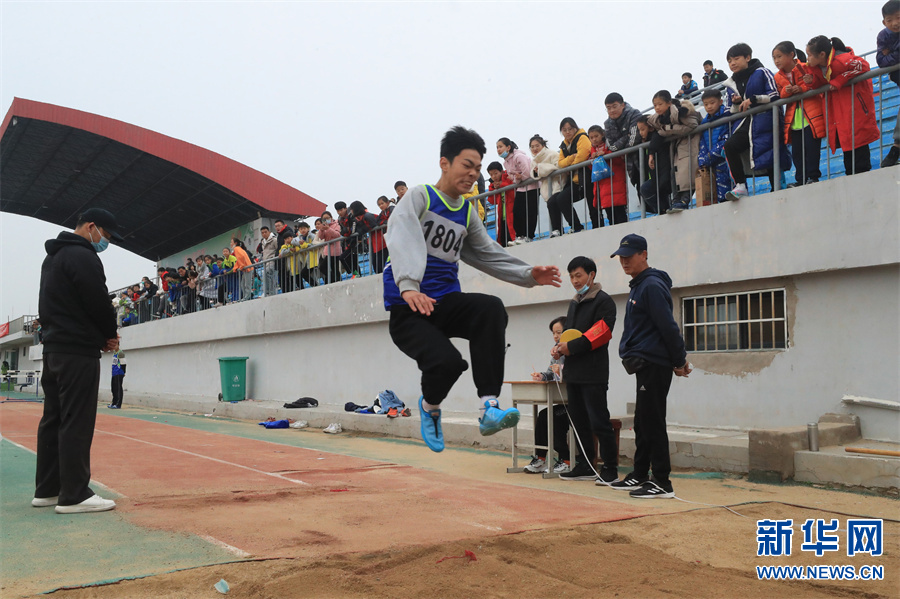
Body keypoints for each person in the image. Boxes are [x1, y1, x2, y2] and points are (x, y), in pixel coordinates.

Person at [383, 125, 562, 453]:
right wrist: (408, 286)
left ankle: (489, 407)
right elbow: (400, 234)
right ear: (444, 163)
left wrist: (528, 274)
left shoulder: (466, 211)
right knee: (449, 363)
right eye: (467, 165)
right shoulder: (421, 196)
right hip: (409, 310)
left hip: (445, 304)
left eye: (478, 167)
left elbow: (486, 253)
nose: (473, 173)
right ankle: (430, 408)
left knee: (490, 307)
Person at [35, 207, 121, 513]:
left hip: (54, 349)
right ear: (92, 227)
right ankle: (74, 494)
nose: (105, 243)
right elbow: (97, 299)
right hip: (77, 350)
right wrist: (109, 335)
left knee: (53, 418)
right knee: (77, 420)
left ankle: (47, 489)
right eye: (106, 237)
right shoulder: (84, 256)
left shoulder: (53, 258)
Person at [609, 234, 691, 499]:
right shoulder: (639, 285)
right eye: (621, 257)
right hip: (644, 363)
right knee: (643, 421)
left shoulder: (652, 286)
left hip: (654, 363)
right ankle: (640, 474)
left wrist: (679, 360)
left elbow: (668, 326)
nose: (624, 261)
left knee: (653, 421)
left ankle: (662, 481)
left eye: (629, 256)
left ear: (644, 254)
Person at [551, 257, 618, 484]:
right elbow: (569, 333)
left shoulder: (604, 302)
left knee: (599, 421)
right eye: (571, 276)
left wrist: (570, 347)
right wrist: (560, 348)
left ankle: (610, 467)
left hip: (594, 373)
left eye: (578, 275)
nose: (575, 281)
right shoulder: (574, 302)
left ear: (592, 274)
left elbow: (599, 334)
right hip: (574, 373)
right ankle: (586, 464)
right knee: (578, 422)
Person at [723, 43, 792, 201]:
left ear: (748, 58)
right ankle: (740, 186)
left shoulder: (762, 72)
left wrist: (753, 100)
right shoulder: (730, 84)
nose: (732, 63)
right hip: (744, 125)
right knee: (730, 146)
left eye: (736, 59)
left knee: (769, 153)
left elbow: (774, 95)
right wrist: (737, 103)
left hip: (764, 122)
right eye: (729, 61)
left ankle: (777, 187)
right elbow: (728, 112)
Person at [804, 36, 880, 176]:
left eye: (809, 55)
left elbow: (863, 65)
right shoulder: (817, 68)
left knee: (859, 146)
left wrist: (840, 80)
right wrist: (812, 82)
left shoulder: (842, 59)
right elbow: (821, 83)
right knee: (848, 149)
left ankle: (863, 179)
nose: (807, 58)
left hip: (854, 108)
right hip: (839, 112)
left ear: (821, 54)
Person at [772, 41, 825, 187]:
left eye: (779, 56)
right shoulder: (777, 77)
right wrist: (786, 91)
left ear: (791, 55)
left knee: (812, 149)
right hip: (793, 120)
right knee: (797, 152)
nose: (776, 61)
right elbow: (780, 93)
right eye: (774, 58)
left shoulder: (805, 68)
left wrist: (801, 88)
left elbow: (813, 83)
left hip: (810, 117)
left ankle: (813, 177)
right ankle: (801, 179)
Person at [526, 316, 570, 475]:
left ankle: (566, 460)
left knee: (556, 417)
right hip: (562, 400)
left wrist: (563, 372)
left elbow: (576, 374)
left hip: (575, 401)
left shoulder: (574, 350)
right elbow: (551, 373)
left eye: (559, 332)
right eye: (553, 333)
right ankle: (541, 458)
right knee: (543, 414)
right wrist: (542, 376)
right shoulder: (556, 351)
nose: (556, 336)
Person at [648, 90, 700, 213]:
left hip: (689, 146)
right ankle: (676, 201)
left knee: (686, 174)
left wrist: (668, 129)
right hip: (677, 149)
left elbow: (692, 125)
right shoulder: (660, 120)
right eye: (655, 105)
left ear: (669, 103)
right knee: (674, 174)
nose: (657, 108)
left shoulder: (682, 112)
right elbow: (658, 134)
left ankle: (684, 200)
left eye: (660, 104)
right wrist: (651, 153)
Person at [547, 117, 594, 236]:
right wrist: (572, 159)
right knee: (553, 200)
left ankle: (582, 227)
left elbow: (582, 156)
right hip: (574, 180)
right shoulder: (564, 144)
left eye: (570, 129)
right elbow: (560, 163)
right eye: (564, 130)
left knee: (591, 206)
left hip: (586, 178)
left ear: (575, 128)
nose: (567, 132)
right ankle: (558, 229)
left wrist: (571, 167)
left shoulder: (582, 137)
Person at [497, 137, 539, 245]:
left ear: (508, 147)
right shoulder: (505, 163)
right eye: (497, 147)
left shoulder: (519, 156)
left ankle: (529, 236)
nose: (498, 149)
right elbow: (512, 178)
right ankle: (520, 236)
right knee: (517, 212)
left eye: (500, 147)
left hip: (532, 186)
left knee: (530, 212)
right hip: (521, 188)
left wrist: (520, 178)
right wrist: (517, 178)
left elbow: (528, 172)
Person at [587, 125, 629, 226]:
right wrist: (591, 160)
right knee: (610, 216)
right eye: (591, 137)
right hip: (603, 186)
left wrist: (605, 154)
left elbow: (619, 158)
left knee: (620, 213)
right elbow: (591, 168)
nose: (594, 139)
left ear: (602, 134)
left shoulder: (610, 144)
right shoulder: (592, 150)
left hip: (616, 180)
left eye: (596, 136)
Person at [698, 89, 733, 204]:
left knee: (730, 194)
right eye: (706, 104)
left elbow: (726, 139)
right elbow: (702, 142)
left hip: (726, 161)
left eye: (712, 103)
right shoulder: (704, 123)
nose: (709, 106)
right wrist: (702, 159)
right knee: (717, 198)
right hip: (711, 165)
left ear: (720, 101)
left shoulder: (727, 116)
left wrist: (709, 156)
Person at [603, 93, 644, 188]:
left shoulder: (634, 114)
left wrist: (624, 150)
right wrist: (626, 136)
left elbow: (635, 139)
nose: (612, 110)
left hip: (643, 158)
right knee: (640, 190)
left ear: (623, 105)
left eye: (614, 106)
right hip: (630, 165)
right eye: (608, 108)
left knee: (652, 191)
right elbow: (612, 147)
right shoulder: (607, 123)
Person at [878, 0, 900, 167]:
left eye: (898, 17)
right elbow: (881, 61)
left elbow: (887, 58)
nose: (895, 23)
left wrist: (892, 54)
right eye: (890, 19)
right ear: (884, 22)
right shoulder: (883, 36)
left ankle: (896, 148)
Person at [485, 162, 516, 247]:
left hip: (512, 214)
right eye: (491, 175)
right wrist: (492, 187)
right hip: (502, 217)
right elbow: (491, 200)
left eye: (496, 173)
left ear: (501, 172)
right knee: (503, 241)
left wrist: (502, 185)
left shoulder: (508, 178)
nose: (494, 176)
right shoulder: (494, 184)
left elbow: (514, 194)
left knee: (513, 237)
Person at [529, 134, 563, 205]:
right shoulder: (534, 161)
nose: (535, 149)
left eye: (537, 146)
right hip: (546, 189)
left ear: (543, 145)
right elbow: (534, 175)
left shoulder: (552, 154)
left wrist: (541, 168)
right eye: (532, 147)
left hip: (558, 184)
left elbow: (559, 167)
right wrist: (535, 172)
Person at [316, 211, 343, 284]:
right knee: (325, 267)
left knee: (333, 268)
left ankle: (336, 280)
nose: (326, 220)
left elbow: (337, 235)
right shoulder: (323, 227)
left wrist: (328, 228)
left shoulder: (336, 225)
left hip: (335, 250)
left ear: (331, 217)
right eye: (324, 219)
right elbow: (321, 237)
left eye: (327, 218)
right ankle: (335, 280)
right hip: (327, 251)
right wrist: (321, 229)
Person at [294, 222, 318, 288]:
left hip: (314, 257)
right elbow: (294, 242)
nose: (303, 230)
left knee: (304, 273)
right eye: (301, 229)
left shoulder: (312, 236)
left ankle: (316, 285)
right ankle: (315, 285)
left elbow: (315, 244)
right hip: (308, 259)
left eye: (304, 228)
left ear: (308, 228)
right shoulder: (300, 238)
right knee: (306, 273)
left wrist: (306, 244)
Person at [259, 225, 279, 296]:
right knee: (265, 276)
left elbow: (277, 249)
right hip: (266, 262)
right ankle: (267, 292)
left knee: (270, 276)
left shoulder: (274, 240)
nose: (264, 234)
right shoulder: (263, 242)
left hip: (272, 261)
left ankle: (271, 292)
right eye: (262, 233)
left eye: (265, 232)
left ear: (269, 232)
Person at [108, 340, 125, 409]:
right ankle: (114, 402)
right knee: (113, 388)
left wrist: (123, 372)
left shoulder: (120, 353)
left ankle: (118, 404)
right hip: (114, 373)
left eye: (115, 345)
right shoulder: (114, 353)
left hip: (119, 372)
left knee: (118, 388)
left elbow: (123, 364)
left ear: (118, 345)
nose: (114, 347)